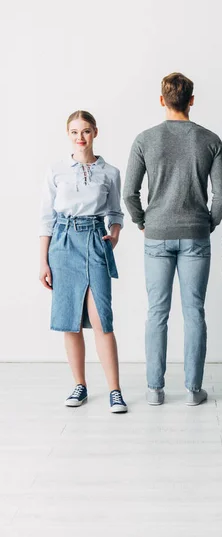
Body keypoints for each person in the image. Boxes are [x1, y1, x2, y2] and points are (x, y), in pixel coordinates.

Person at [124, 72, 222, 406]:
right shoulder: (210, 140)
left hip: (157, 234)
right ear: (192, 101)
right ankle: (193, 391)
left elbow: (129, 193)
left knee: (157, 311)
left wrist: (143, 221)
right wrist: (206, 224)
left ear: (161, 100)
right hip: (196, 234)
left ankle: (155, 390)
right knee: (194, 311)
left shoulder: (145, 139)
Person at [39, 110, 128, 413]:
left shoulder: (110, 172)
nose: (81, 137)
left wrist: (113, 236)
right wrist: (43, 262)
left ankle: (115, 390)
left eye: (86, 131)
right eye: (75, 132)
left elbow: (115, 213)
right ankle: (80, 384)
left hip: (94, 240)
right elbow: (46, 219)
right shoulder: (56, 170)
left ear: (95, 133)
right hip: (62, 244)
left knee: (102, 318)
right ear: (68, 134)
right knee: (71, 321)